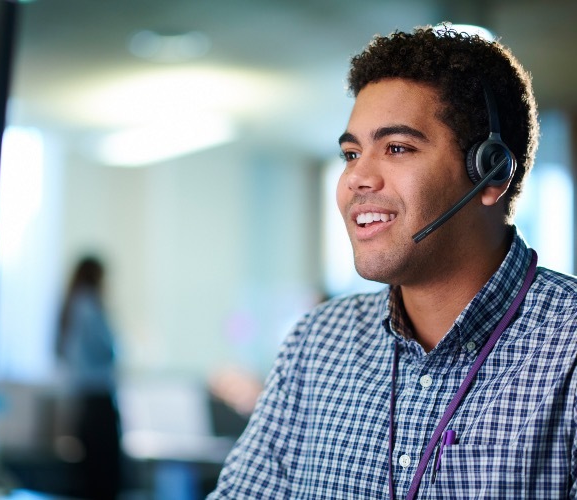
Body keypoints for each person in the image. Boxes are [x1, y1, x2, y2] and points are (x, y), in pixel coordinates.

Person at [209, 25, 577, 498]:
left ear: (490, 173)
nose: (357, 178)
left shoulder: (567, 352)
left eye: (397, 148)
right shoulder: (315, 345)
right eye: (350, 153)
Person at [56, 256, 122, 499]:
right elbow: (107, 349)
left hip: (82, 401)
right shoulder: (90, 306)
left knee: (88, 478)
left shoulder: (71, 305)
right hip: (98, 401)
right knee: (104, 478)